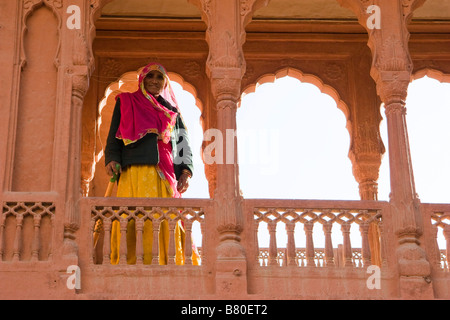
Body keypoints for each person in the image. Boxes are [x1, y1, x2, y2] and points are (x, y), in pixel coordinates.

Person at [104, 62, 197, 265]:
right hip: (133, 168)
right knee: (132, 214)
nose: (154, 81)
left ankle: (167, 260)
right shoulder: (126, 101)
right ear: (142, 80)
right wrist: (112, 157)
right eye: (150, 76)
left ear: (164, 82)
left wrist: (185, 171)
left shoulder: (172, 111)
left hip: (165, 171)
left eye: (159, 77)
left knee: (164, 215)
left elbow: (182, 142)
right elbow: (114, 135)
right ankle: (129, 261)